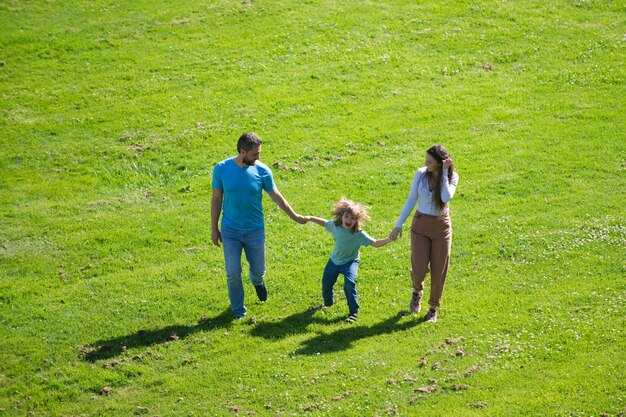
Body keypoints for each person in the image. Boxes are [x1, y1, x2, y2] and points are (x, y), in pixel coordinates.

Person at [211, 132, 306, 319]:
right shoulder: (221, 169)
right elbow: (216, 199)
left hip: (254, 229)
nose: (258, 158)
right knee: (232, 273)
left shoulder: (262, 171)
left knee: (257, 271)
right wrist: (214, 228)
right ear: (242, 151)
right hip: (230, 230)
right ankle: (238, 310)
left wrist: (295, 216)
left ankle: (257, 281)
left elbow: (277, 196)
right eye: (255, 154)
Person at [389, 145, 459, 322]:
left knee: (439, 270)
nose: (425, 163)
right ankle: (417, 290)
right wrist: (398, 225)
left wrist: (443, 173)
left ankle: (433, 308)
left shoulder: (452, 177)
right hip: (420, 224)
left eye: (429, 161)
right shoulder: (420, 174)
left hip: (441, 227)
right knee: (419, 268)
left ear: (441, 162)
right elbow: (411, 199)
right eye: (425, 160)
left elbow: (445, 197)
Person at [305, 198, 394, 322]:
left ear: (357, 220)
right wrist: (309, 218)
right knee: (326, 282)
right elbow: (324, 222)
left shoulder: (358, 234)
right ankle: (328, 303)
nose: (348, 220)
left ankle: (353, 312)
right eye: (346, 216)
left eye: (352, 218)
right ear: (341, 216)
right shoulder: (335, 226)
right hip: (334, 260)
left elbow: (375, 243)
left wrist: (389, 239)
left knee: (349, 284)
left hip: (350, 262)